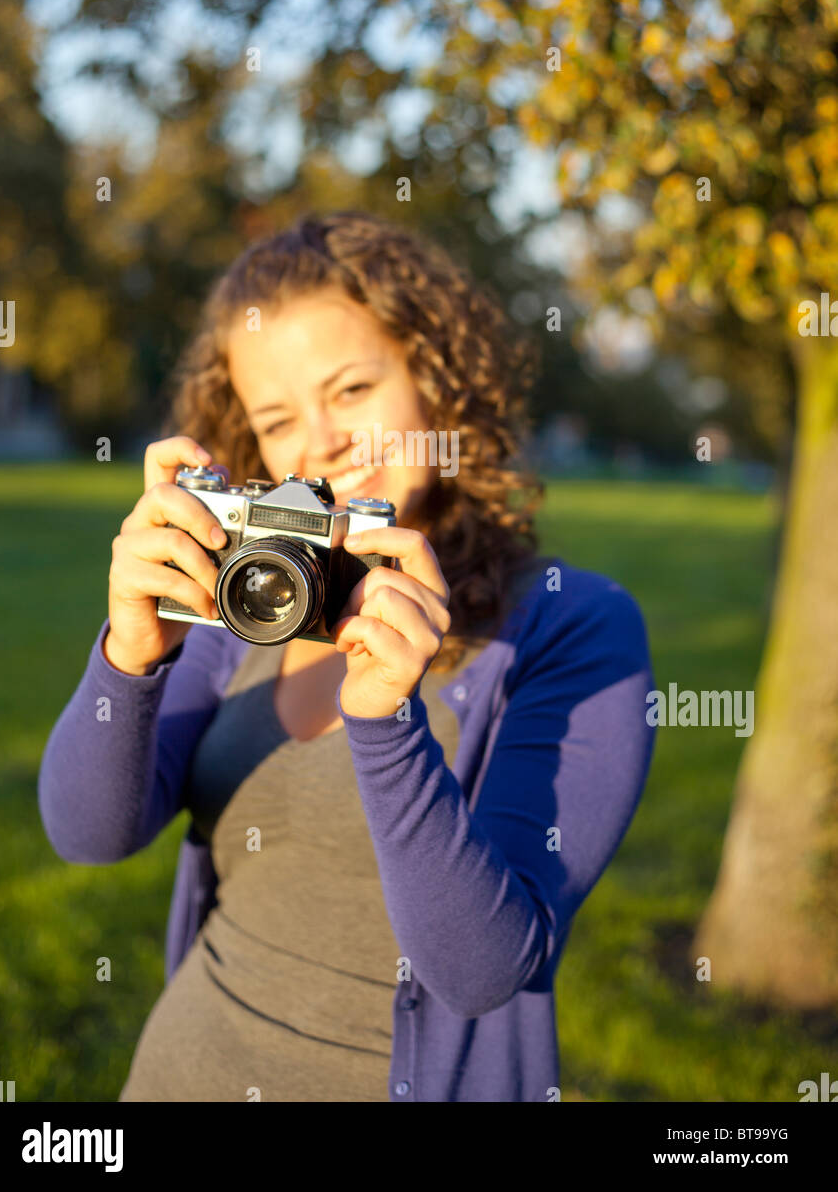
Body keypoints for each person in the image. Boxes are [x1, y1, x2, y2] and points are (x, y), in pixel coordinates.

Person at [38, 211, 656, 1103]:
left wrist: (386, 721)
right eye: (280, 418)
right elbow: (89, 833)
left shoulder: (570, 626)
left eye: (354, 389)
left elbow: (482, 971)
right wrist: (129, 659)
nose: (321, 441)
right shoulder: (248, 605)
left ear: (433, 381)